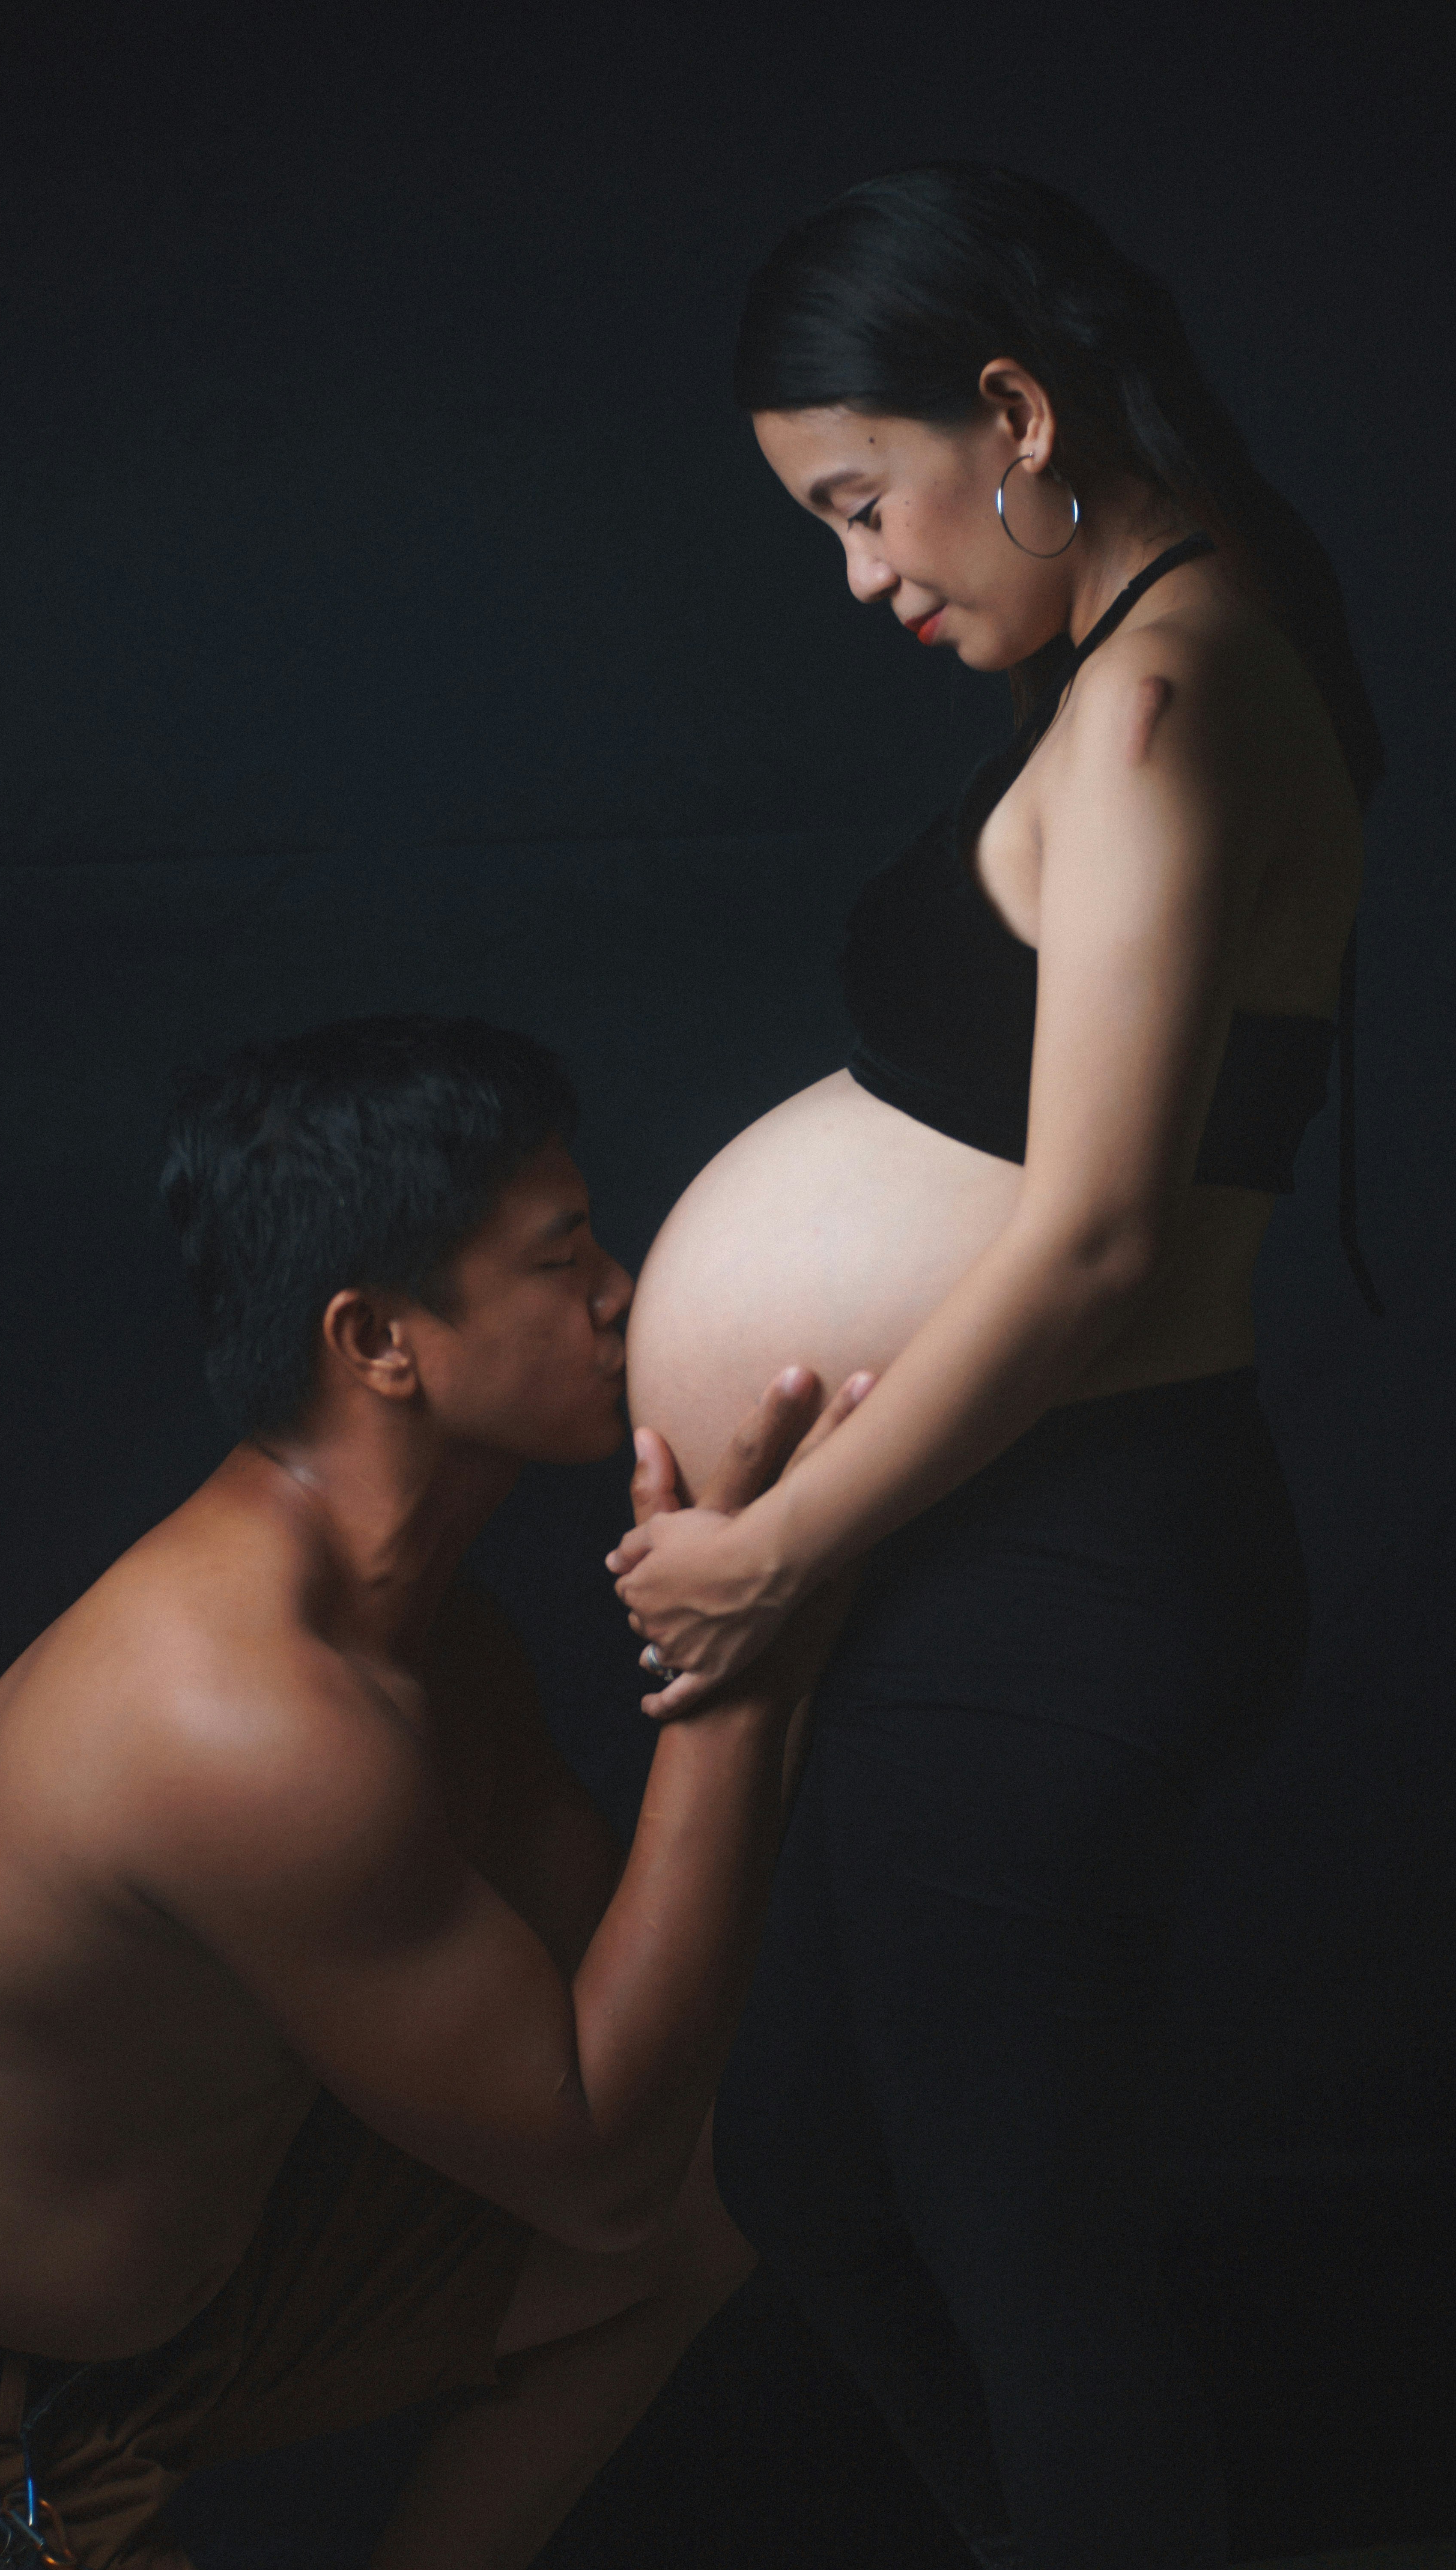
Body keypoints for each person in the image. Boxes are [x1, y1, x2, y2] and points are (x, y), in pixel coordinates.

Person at [612, 164, 1384, 2570]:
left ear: (1013, 412)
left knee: (1019, 2260)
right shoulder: (1171, 630)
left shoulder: (1162, 691)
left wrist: (772, 1560)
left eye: (864, 501)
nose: (862, 575)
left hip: (1068, 1553)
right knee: (820, 2168)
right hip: (1007, 1550)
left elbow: (1089, 1246)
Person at [0, 1012, 867, 2570]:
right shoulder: (242, 1722)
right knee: (641, 2195)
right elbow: (596, 2171)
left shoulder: (434, 1636)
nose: (621, 1296)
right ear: (379, 1340)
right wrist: (749, 1669)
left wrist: (788, 1579)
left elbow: (629, 2040)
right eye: (563, 1257)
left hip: (205, 2312)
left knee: (722, 2194)